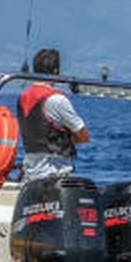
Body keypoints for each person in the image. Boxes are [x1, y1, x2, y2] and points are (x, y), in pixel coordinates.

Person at [17, 48, 90, 181]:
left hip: (30, 172)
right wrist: (65, 139)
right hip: (54, 172)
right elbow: (84, 136)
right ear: (56, 71)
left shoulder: (22, 98)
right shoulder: (57, 100)